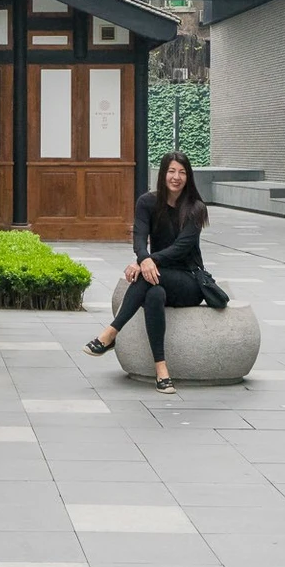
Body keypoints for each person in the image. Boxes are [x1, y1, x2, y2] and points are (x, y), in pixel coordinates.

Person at [83, 151, 209, 393]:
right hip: (156, 277)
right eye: (171, 171)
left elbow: (182, 248)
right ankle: (161, 370)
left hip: (189, 281)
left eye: (182, 172)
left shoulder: (196, 208)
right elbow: (139, 237)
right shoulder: (147, 203)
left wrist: (146, 262)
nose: (176, 177)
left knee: (144, 276)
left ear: (188, 177)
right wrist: (144, 258)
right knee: (154, 295)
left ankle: (111, 333)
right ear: (162, 174)